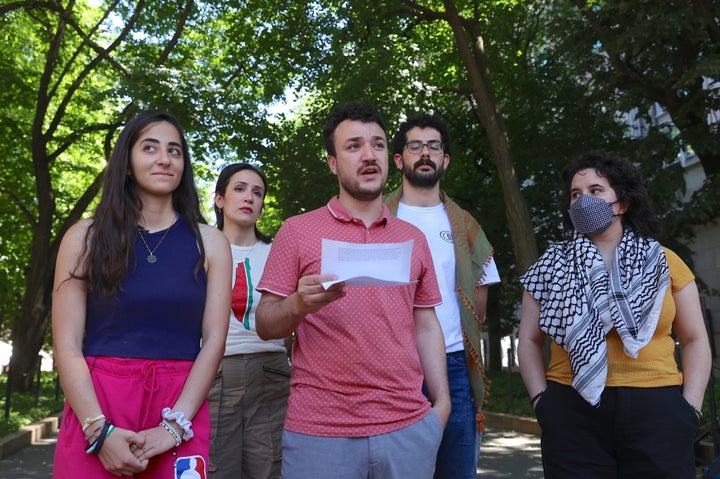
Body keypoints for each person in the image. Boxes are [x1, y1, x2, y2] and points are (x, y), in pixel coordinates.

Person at [254, 101, 450, 479]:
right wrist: (297, 305)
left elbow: (426, 323)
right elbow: (265, 324)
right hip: (320, 432)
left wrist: (440, 406)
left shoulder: (412, 238)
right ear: (332, 162)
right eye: (353, 146)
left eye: (377, 144)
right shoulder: (297, 231)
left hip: (408, 428)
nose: (368, 155)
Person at [52, 110, 232, 478]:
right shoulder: (83, 238)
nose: (165, 159)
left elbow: (214, 340)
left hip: (179, 406)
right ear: (128, 164)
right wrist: (98, 432)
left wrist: (173, 428)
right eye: (150, 148)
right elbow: (67, 344)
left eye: (175, 150)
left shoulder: (211, 242)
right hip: (97, 402)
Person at [517, 150, 711, 478]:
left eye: (595, 191)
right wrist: (542, 403)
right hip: (572, 412)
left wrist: (690, 408)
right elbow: (528, 339)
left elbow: (694, 339)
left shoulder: (664, 262)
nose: (582, 200)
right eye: (575, 194)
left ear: (621, 203)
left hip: (657, 411)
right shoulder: (548, 267)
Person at [384, 113, 500, 479]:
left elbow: (477, 305)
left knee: (456, 469)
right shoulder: (377, 217)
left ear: (444, 160)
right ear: (399, 160)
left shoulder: (465, 226)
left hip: (453, 365)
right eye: (414, 145)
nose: (425, 153)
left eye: (434, 146)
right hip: (389, 363)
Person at [208, 162, 290, 478]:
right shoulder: (198, 248)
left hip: (270, 371)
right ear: (219, 199)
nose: (249, 198)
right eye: (239, 189)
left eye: (257, 192)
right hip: (215, 371)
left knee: (271, 468)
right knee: (216, 468)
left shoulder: (278, 252)